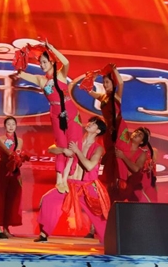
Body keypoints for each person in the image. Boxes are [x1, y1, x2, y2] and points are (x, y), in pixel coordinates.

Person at [14, 42, 83, 193]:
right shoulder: (41, 80)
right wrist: (21, 57)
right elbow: (20, 74)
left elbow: (66, 62)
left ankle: (66, 178)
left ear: (52, 61)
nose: (42, 65)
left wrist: (51, 48)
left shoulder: (61, 75)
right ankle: (59, 179)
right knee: (61, 146)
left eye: (44, 62)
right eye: (40, 63)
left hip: (71, 114)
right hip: (56, 115)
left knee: (73, 145)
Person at [35, 116, 110, 244]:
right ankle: (43, 234)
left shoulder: (98, 148)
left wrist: (77, 151)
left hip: (87, 186)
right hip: (69, 185)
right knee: (48, 199)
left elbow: (89, 166)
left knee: (99, 213)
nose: (89, 124)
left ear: (98, 131)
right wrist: (64, 150)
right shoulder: (74, 141)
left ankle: (107, 239)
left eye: (94, 123)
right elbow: (51, 148)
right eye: (90, 121)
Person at [81, 63, 129, 200]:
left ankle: (121, 188)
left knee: (118, 157)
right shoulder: (102, 97)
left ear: (113, 83)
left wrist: (114, 70)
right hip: (108, 131)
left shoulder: (117, 96)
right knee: (109, 157)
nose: (105, 85)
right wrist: (93, 76)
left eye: (107, 82)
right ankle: (110, 188)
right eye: (104, 82)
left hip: (119, 130)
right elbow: (87, 89)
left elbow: (121, 83)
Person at [0, 116, 28, 239]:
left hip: (15, 170)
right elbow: (9, 153)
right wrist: (18, 156)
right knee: (2, 198)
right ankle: (3, 228)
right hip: (4, 169)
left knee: (13, 199)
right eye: (8, 124)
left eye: (13, 124)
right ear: (5, 126)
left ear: (16, 126)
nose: (11, 126)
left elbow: (17, 154)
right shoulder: (0, 139)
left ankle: (8, 227)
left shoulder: (19, 140)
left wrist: (21, 157)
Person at [115, 127, 157, 203]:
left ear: (141, 142)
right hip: (117, 185)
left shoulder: (142, 153)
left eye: (140, 135)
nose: (136, 134)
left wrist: (123, 157)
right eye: (136, 132)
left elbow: (136, 169)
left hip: (132, 189)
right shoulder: (122, 147)